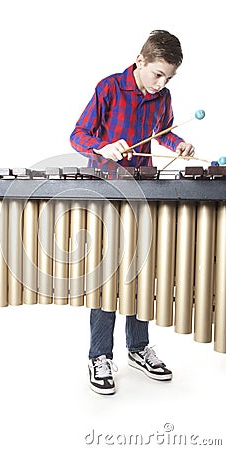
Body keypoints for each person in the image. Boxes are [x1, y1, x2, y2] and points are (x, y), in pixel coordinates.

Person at [70, 30, 195, 395]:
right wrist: (103, 147)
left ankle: (139, 348)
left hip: (143, 190)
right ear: (140, 61)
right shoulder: (109, 88)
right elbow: (78, 135)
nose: (162, 83)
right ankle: (99, 355)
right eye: (158, 74)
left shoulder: (162, 97)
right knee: (108, 274)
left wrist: (179, 144)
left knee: (142, 272)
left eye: (169, 77)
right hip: (108, 189)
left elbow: (165, 133)